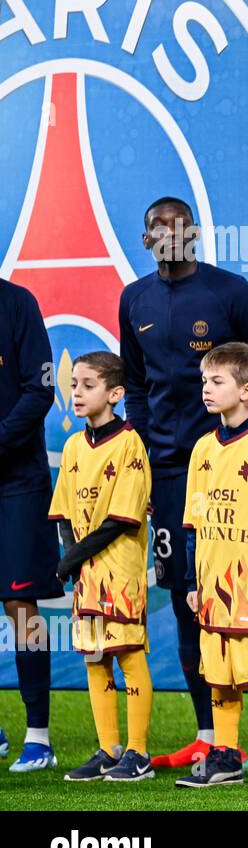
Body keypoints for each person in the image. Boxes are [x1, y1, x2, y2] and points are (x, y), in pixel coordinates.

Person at [118, 196, 248, 770]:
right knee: (187, 598)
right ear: (145, 237)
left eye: (179, 227)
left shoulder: (230, 293)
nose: (169, 236)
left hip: (236, 468)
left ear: (197, 233)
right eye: (158, 228)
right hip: (172, 475)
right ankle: (209, 735)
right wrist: (149, 456)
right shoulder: (135, 298)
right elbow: (135, 383)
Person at [174, 343, 248, 789]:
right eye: (204, 381)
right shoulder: (203, 449)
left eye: (217, 381)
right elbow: (193, 521)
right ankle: (225, 754)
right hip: (212, 585)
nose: (206, 389)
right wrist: (191, 579)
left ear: (246, 389)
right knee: (220, 670)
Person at [50, 352, 154, 783]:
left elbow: (120, 518)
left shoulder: (130, 443)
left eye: (87, 385)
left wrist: (70, 559)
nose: (76, 393)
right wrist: (72, 556)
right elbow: (64, 512)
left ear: (115, 394)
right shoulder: (74, 446)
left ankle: (139, 753)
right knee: (95, 658)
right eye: (74, 384)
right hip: (86, 575)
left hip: (119, 569)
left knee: (128, 654)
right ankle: (108, 748)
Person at [0, 277, 60, 772]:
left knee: (21, 605)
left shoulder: (18, 304)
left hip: (18, 481)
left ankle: (38, 736)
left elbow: (39, 391)